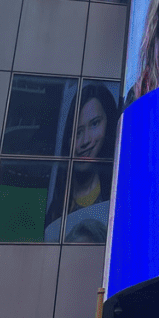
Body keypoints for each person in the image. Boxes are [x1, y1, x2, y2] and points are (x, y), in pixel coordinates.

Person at [44, 82, 119, 243]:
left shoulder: (119, 194)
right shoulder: (57, 209)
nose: (85, 141)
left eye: (94, 124)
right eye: (77, 132)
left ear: (110, 124)